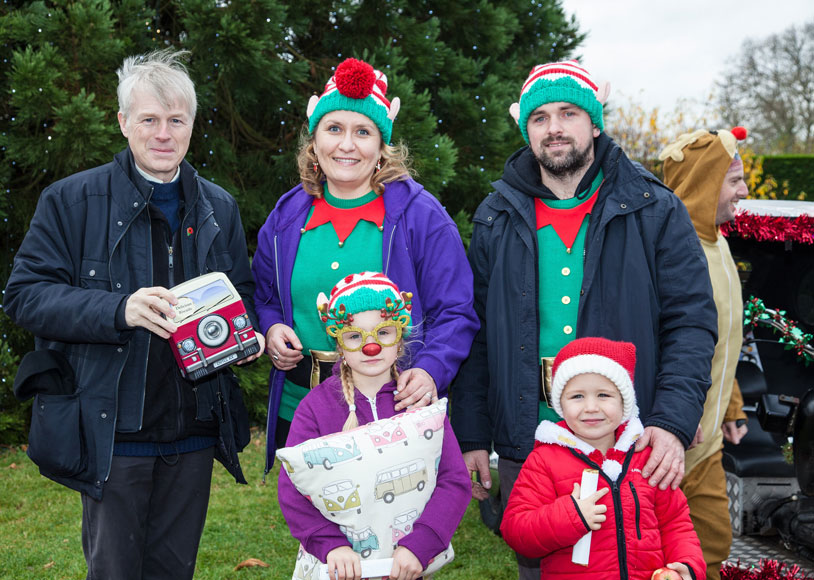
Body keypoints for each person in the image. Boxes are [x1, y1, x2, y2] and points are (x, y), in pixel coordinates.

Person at [450, 60, 717, 578]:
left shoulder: (654, 209)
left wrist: (671, 421)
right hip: (529, 437)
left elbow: (691, 323)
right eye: (540, 117)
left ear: (594, 123)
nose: (554, 128)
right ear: (526, 129)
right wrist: (473, 434)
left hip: (630, 439)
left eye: (568, 113)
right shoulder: (495, 217)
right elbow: (476, 335)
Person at [3, 49, 263, 580]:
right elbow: (25, 295)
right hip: (114, 434)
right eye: (149, 120)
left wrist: (246, 336)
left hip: (193, 431)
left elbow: (242, 292)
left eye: (176, 121)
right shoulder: (71, 201)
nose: (163, 134)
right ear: (123, 123)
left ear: (192, 126)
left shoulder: (219, 207)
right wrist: (119, 309)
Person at [252, 57, 478, 475]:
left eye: (363, 131)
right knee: (310, 514)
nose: (347, 144)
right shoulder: (286, 216)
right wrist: (270, 327)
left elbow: (456, 311)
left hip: (391, 409)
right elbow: (263, 295)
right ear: (314, 139)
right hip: (301, 409)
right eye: (334, 128)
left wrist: (430, 371)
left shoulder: (420, 216)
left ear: (381, 144)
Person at [277, 272, 471, 580]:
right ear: (338, 343)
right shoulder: (315, 408)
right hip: (340, 568)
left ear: (400, 338)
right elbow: (293, 486)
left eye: (383, 333)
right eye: (355, 336)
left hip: (407, 564)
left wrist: (421, 543)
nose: (371, 347)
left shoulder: (418, 401)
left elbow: (453, 479)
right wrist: (330, 545)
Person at [500, 337, 707, 580]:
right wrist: (570, 516)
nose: (591, 407)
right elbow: (517, 530)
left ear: (624, 402)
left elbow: (675, 524)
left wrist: (687, 565)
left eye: (603, 395)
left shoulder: (647, 458)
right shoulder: (544, 461)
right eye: (577, 396)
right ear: (560, 404)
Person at [659, 127, 751, 580]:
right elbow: (662, 341)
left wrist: (730, 405)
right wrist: (676, 411)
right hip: (669, 445)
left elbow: (722, 341)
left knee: (712, 541)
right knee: (664, 550)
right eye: (734, 180)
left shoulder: (719, 243)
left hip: (707, 441)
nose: (744, 191)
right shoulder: (677, 253)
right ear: (704, 184)